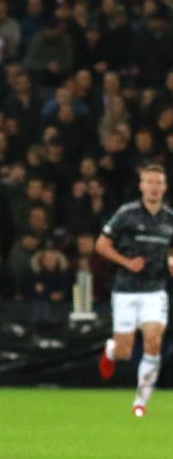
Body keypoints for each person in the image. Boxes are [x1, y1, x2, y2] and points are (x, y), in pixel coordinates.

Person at [95, 164, 173, 417]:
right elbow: (101, 245)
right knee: (124, 352)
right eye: (149, 182)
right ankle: (110, 351)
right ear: (141, 186)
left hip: (155, 290)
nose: (154, 187)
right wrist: (127, 262)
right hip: (126, 289)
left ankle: (140, 401)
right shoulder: (127, 214)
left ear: (165, 187)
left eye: (159, 183)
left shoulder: (169, 218)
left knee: (153, 341)